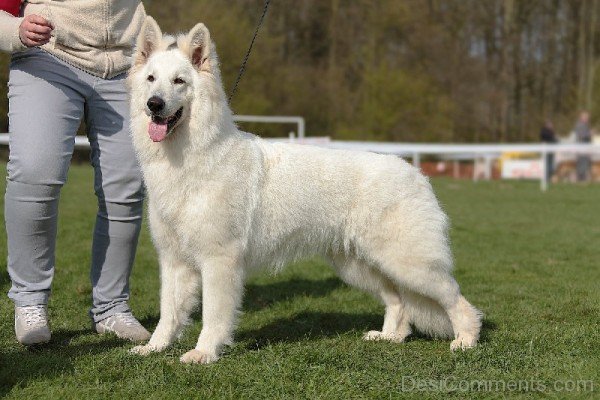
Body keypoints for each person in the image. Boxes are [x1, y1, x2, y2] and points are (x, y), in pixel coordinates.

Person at [1, 1, 150, 345]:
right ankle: (30, 301)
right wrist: (15, 30)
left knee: (126, 187)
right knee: (36, 172)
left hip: (127, 63)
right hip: (48, 55)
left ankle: (112, 308)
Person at [574, 111, 592, 182]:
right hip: (581, 146)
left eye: (587, 118)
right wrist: (589, 134)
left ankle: (583, 178)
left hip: (585, 145)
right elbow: (581, 135)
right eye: (586, 117)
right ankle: (580, 178)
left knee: (585, 161)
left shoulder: (585, 125)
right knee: (582, 161)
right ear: (582, 118)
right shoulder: (579, 125)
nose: (587, 119)